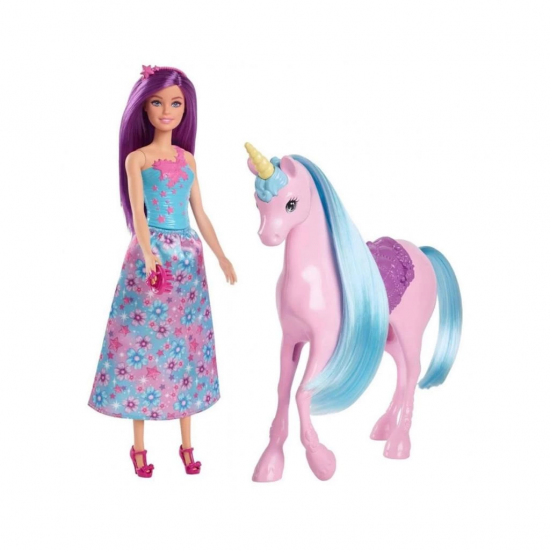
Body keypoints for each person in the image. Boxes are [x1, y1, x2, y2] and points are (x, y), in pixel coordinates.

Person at [88, 65, 236, 478]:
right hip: (152, 257)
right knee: (143, 345)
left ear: (186, 110)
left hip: (188, 260)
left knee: (185, 346)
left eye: (175, 104)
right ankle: (138, 446)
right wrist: (149, 253)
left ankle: (187, 443)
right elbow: (139, 213)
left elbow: (200, 213)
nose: (166, 111)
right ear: (144, 108)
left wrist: (221, 255)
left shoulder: (188, 160)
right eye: (157, 103)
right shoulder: (137, 159)